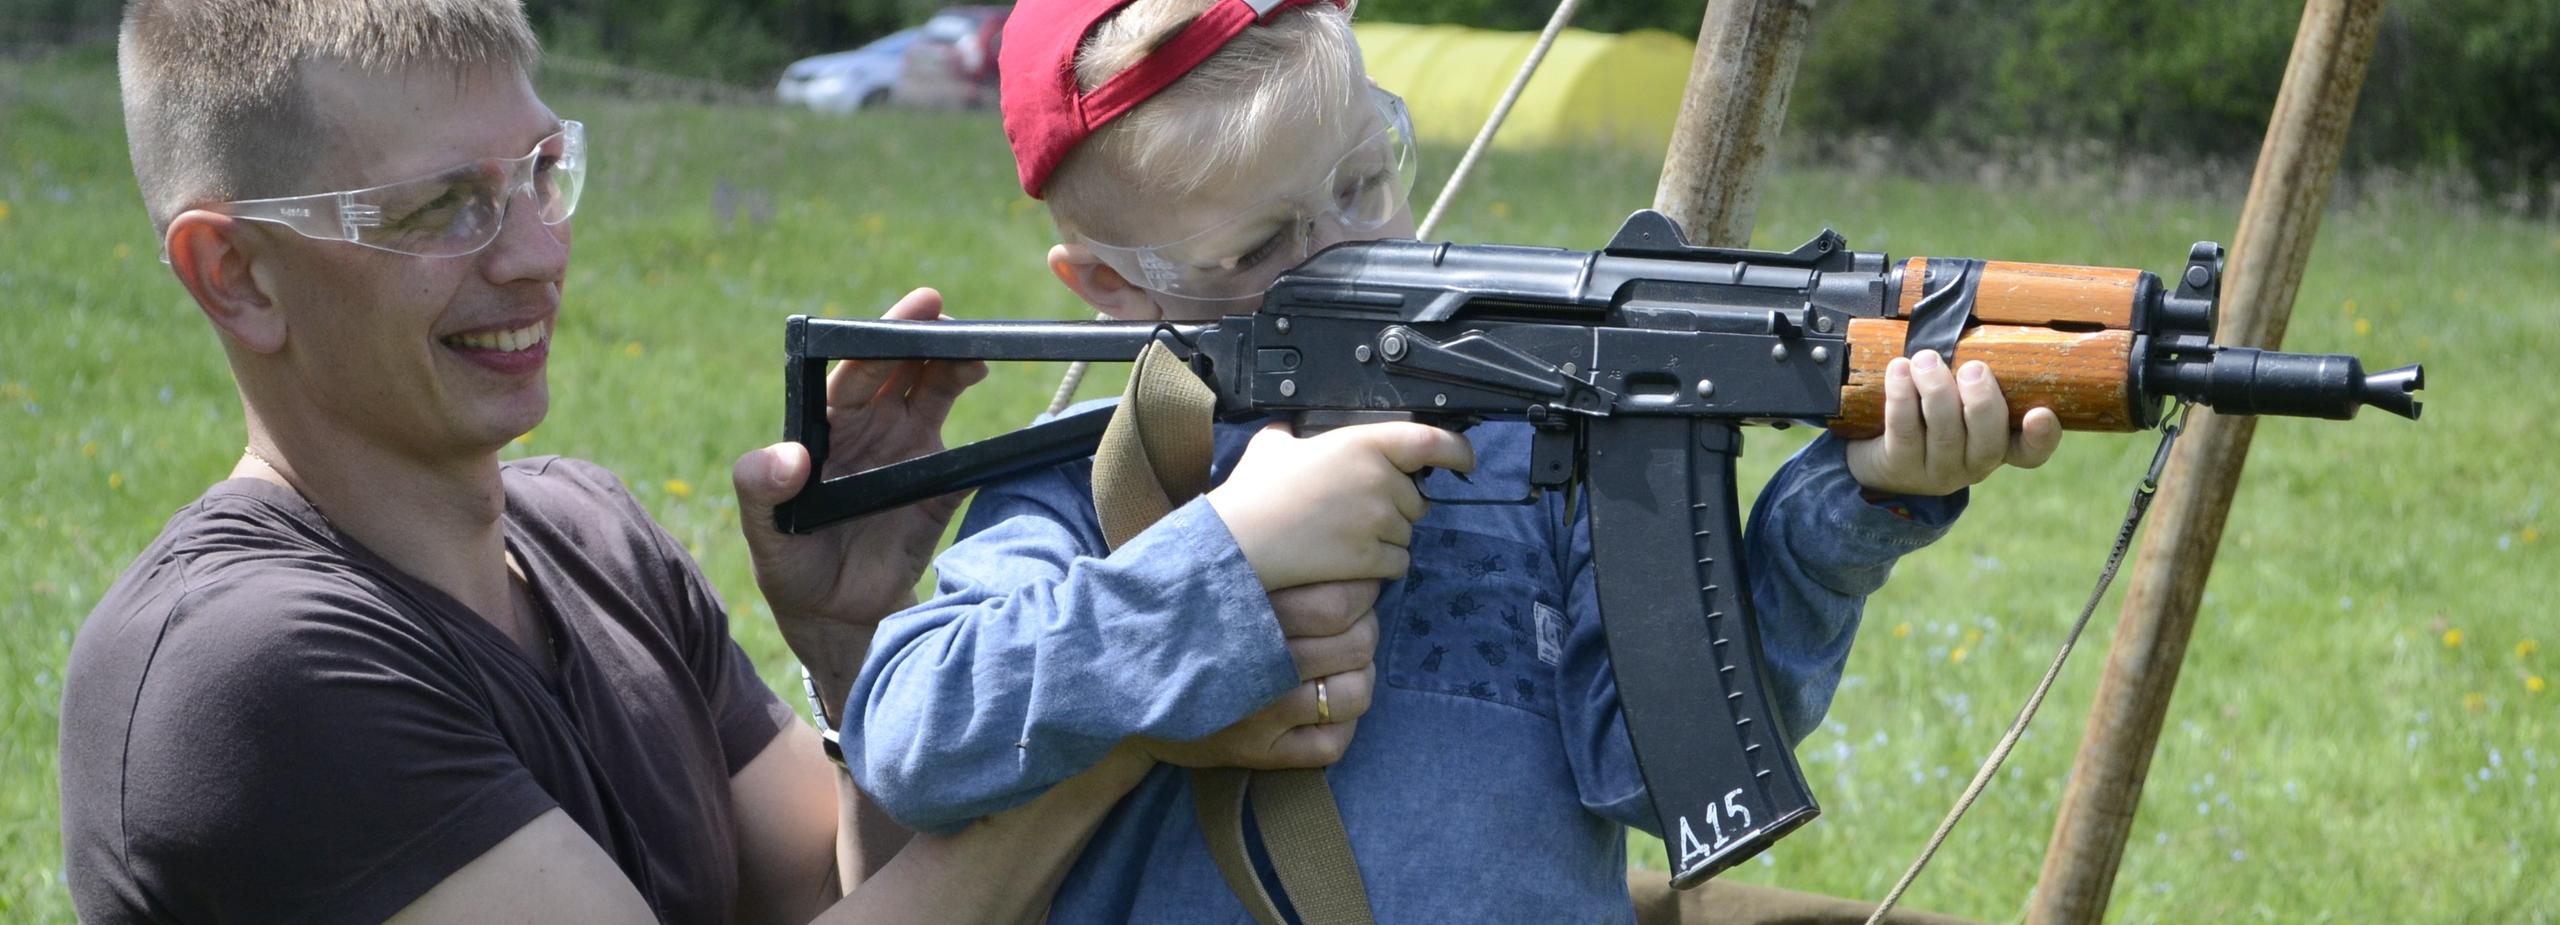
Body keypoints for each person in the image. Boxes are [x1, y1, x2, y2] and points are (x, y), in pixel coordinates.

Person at [57, 2, 1375, 922]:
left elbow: (844, 893)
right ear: (235, 273)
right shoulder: (242, 667)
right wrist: (1153, 680)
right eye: (441, 207)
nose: (536, 252)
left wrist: (850, 642)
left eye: (540, 171)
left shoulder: (588, 532)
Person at [840, 0, 2060, 922]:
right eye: (1261, 246)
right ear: (1111, 285)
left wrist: (1845, 512)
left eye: (1364, 182)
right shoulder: (1109, 482)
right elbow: (914, 735)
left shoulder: (1533, 438)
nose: (1348, 252)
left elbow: (1655, 770)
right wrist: (1225, 557)